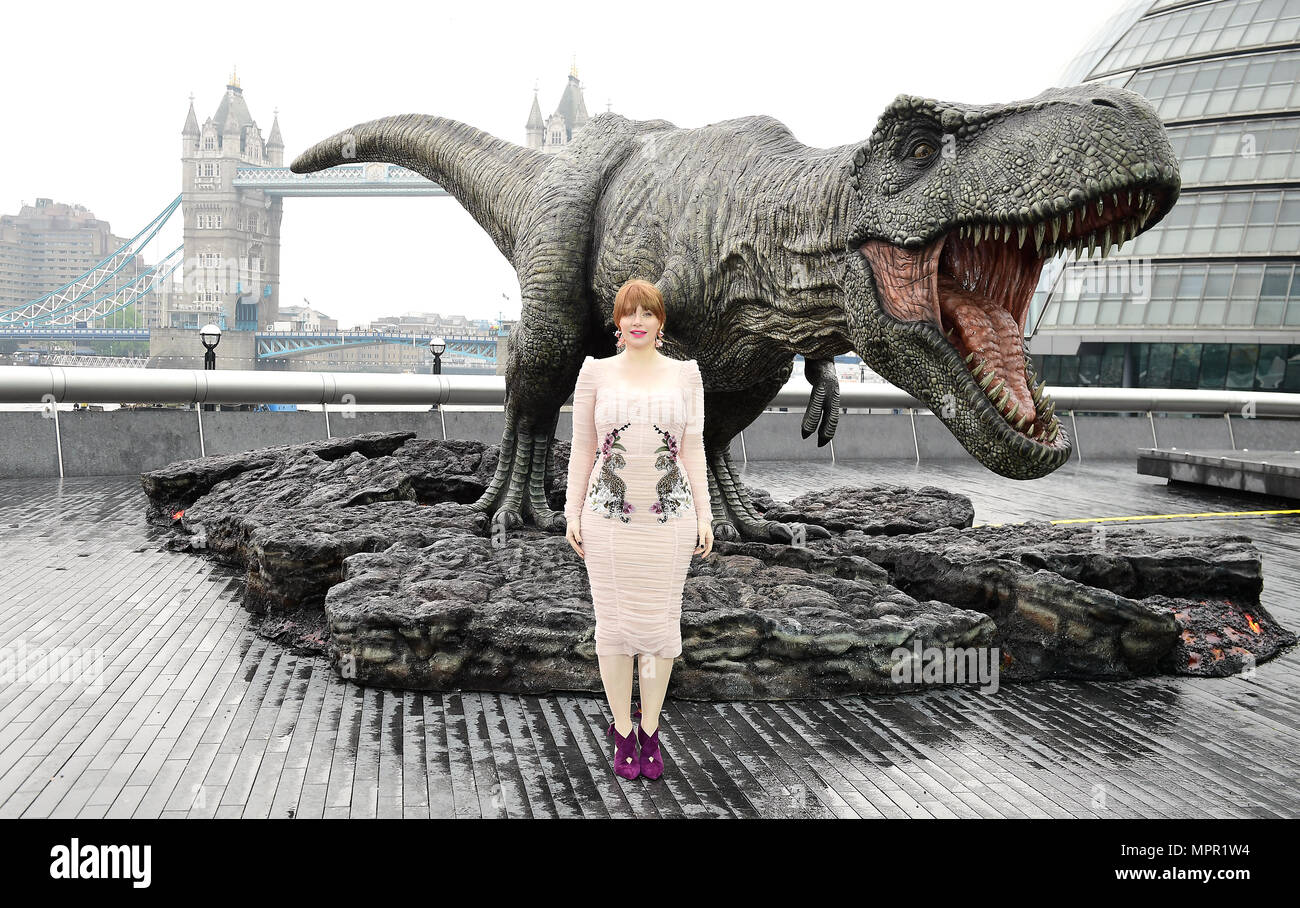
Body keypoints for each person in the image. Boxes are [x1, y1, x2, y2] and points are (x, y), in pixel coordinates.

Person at [565, 278, 713, 781]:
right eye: (629, 312)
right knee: (615, 629)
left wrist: (707, 515)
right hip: (607, 520)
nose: (637, 321)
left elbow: (693, 449)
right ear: (617, 321)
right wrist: (570, 512)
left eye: (647, 313)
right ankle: (623, 730)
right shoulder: (595, 373)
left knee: (656, 630)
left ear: (660, 321)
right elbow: (583, 449)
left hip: (671, 519)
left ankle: (650, 728)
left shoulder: (685, 375)